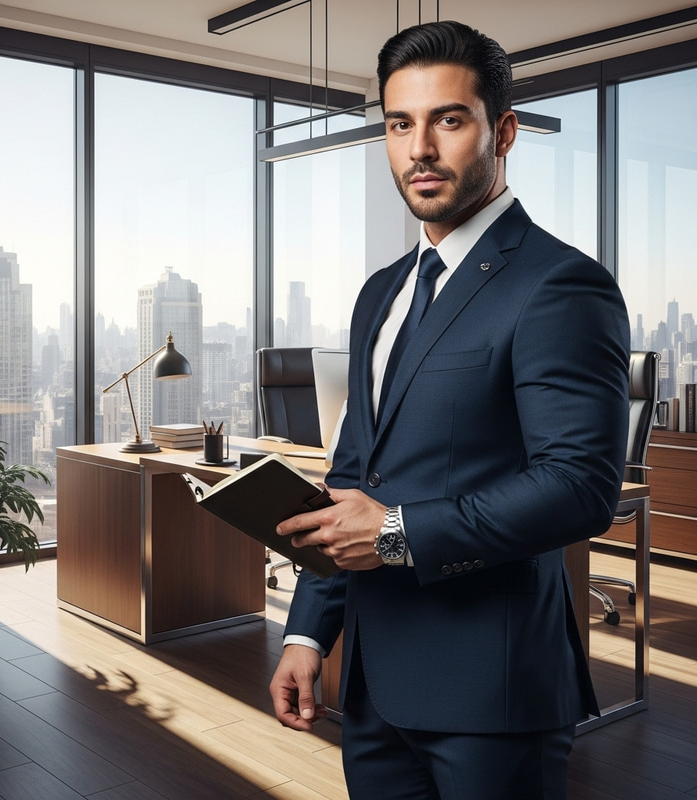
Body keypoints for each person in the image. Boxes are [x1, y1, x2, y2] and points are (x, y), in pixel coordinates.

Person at [268, 20, 630, 800]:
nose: (419, 148)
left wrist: (397, 534)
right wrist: (307, 631)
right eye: (400, 124)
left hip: (491, 692)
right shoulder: (381, 292)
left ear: (502, 132)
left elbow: (578, 486)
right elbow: (353, 479)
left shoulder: (560, 285)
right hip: (370, 684)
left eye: (448, 120)